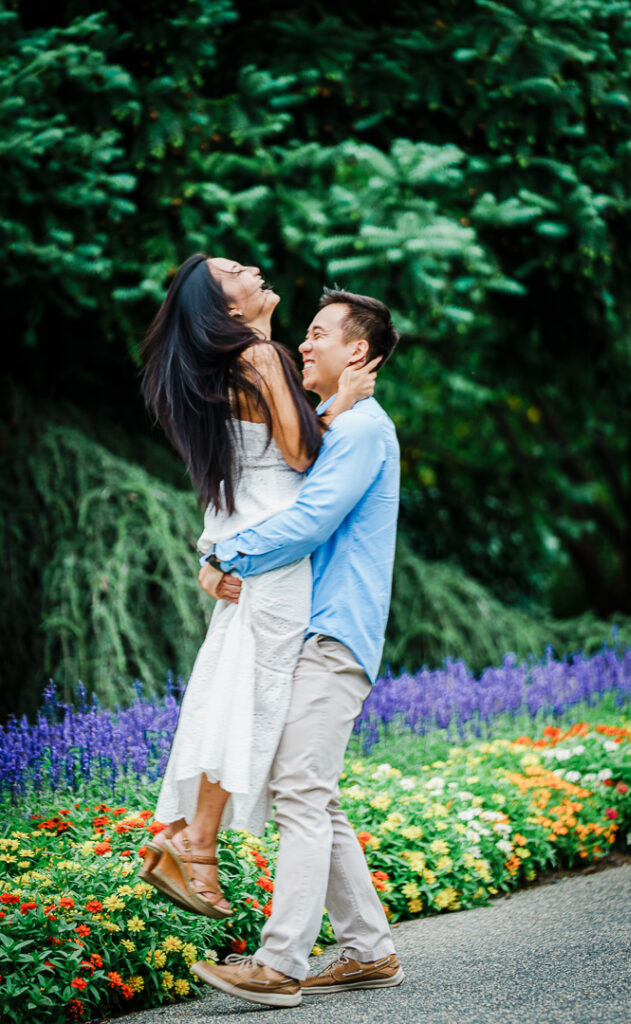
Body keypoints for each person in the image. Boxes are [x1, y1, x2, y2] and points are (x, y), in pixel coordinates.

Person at [139, 256, 376, 918]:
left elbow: (242, 472)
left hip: (244, 549)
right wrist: (342, 404)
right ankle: (195, 846)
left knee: (229, 693)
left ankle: (190, 841)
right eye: (235, 271)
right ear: (229, 309)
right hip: (275, 556)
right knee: (249, 700)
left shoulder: (223, 367)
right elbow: (300, 456)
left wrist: (214, 554)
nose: (254, 267)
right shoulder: (261, 355)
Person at [189, 289, 404, 1008]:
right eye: (304, 335)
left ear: (359, 355)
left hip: (332, 634)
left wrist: (228, 553)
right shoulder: (343, 423)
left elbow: (310, 518)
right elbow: (296, 457)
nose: (302, 347)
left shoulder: (364, 429)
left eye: (318, 335)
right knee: (310, 794)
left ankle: (280, 963)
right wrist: (331, 407)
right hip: (318, 630)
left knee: (299, 793)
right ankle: (368, 949)